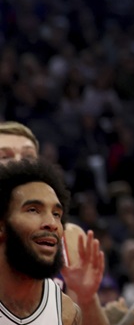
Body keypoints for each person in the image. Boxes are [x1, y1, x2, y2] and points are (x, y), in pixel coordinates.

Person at [0, 122, 112, 325]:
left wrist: (87, 299)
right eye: (5, 156)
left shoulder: (67, 239)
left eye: (27, 157)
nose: (18, 162)